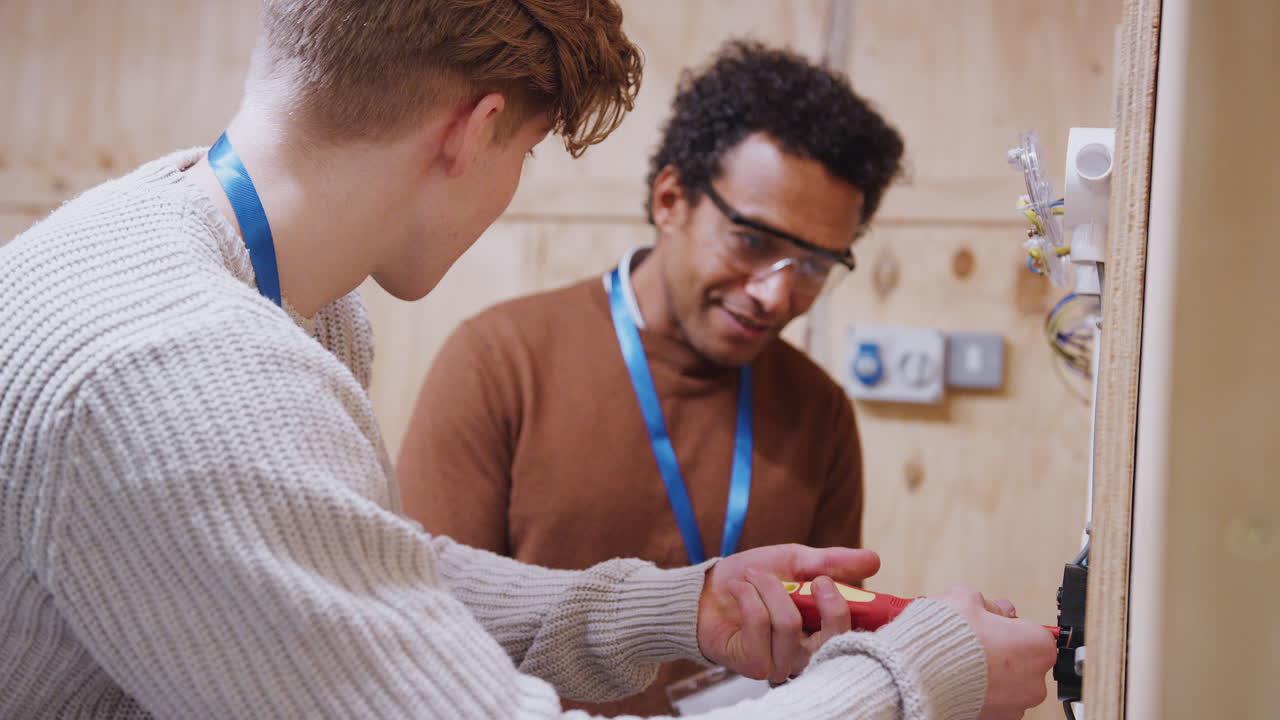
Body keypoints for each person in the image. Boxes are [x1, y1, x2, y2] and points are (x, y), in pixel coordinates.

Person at [0, 1, 1055, 718]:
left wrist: (675, 610)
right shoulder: (189, 374)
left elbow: (373, 573)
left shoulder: (223, 265)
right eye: (530, 152)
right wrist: (914, 675)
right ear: (477, 129)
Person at [396, 40, 898, 715]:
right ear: (671, 199)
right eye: (753, 241)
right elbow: (422, 625)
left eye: (813, 266)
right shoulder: (502, 359)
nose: (775, 296)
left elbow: (826, 649)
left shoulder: (819, 411)